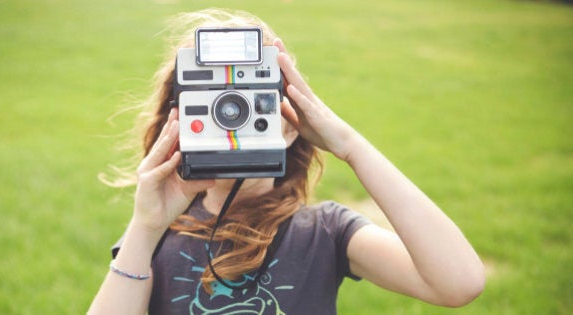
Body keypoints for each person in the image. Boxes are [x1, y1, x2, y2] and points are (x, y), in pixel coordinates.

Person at [88, 9, 484, 315]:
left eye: (252, 102)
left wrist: (350, 146)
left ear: (294, 124)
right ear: (179, 120)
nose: (231, 115)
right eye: (214, 105)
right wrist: (146, 225)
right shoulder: (155, 232)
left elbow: (459, 283)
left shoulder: (327, 233)